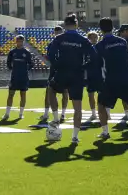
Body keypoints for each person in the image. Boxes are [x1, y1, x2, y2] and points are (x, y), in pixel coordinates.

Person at [46, 14, 96, 145]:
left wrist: (56, 65)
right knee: (77, 107)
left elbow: (50, 54)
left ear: (65, 25)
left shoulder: (59, 38)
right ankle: (74, 136)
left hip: (62, 72)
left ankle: (56, 118)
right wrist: (84, 67)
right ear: (77, 25)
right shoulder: (83, 39)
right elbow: (94, 56)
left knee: (51, 90)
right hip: (77, 75)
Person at [94, 17, 128, 142]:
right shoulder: (122, 41)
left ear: (101, 29)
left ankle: (105, 132)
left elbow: (98, 64)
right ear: (112, 27)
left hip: (110, 80)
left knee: (101, 105)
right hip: (126, 77)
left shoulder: (100, 45)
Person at [40, 26, 68, 123]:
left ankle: (63, 114)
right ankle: (46, 113)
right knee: (49, 91)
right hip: (54, 69)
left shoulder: (67, 43)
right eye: (56, 32)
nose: (58, 34)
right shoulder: (52, 44)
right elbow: (49, 57)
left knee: (65, 92)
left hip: (64, 69)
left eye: (60, 32)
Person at [3, 35, 33, 121]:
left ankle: (21, 114)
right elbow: (8, 63)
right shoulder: (12, 52)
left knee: (23, 94)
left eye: (21, 41)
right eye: (18, 41)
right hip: (14, 77)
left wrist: (25, 70)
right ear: (16, 42)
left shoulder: (27, 52)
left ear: (23, 42)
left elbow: (31, 63)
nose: (19, 42)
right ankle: (7, 114)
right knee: (11, 94)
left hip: (24, 77)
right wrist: (13, 69)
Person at [85, 31, 103, 121]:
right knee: (90, 95)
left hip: (100, 75)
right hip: (90, 75)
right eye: (92, 37)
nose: (94, 39)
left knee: (102, 95)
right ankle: (93, 113)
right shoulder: (86, 49)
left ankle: (104, 113)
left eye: (96, 37)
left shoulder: (101, 48)